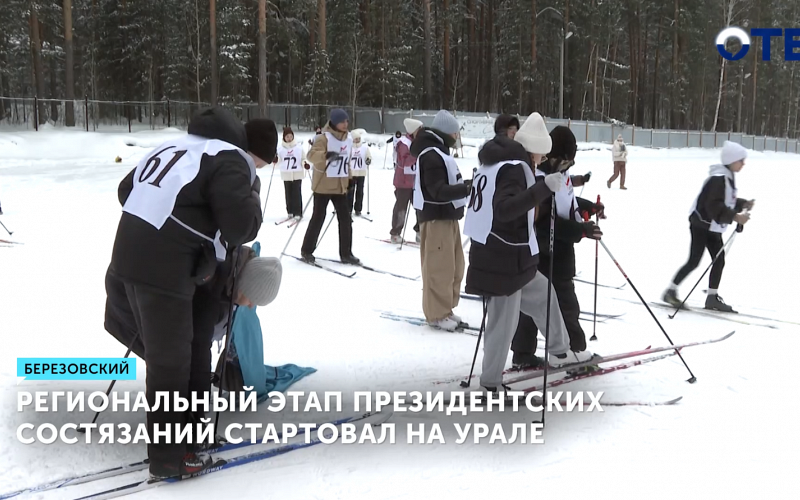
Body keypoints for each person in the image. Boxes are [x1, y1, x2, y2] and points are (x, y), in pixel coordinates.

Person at [104, 106, 277, 479]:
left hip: (139, 258)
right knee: (171, 362)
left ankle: (194, 434)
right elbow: (241, 226)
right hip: (165, 270)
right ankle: (168, 458)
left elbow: (125, 190)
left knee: (196, 346)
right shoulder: (228, 156)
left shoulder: (171, 146)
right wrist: (251, 193)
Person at [464, 112, 594, 392]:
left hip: (514, 257)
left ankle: (560, 351)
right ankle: (490, 383)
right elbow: (506, 209)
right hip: (502, 258)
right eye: (541, 156)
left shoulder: (504, 162)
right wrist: (542, 188)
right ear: (534, 148)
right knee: (503, 321)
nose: (541, 161)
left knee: (544, 294)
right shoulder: (513, 167)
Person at [509, 126, 605, 369]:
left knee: (536, 305)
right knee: (563, 303)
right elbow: (547, 223)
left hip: (556, 251)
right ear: (552, 156)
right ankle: (574, 350)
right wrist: (581, 230)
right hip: (547, 252)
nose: (568, 166)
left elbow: (567, 201)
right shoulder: (540, 180)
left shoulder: (558, 176)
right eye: (565, 161)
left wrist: (587, 207)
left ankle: (523, 353)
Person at [662, 141, 753, 313]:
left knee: (719, 260)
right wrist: (735, 216)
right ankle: (670, 291)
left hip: (713, 226)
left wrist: (742, 203)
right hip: (701, 225)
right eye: (741, 160)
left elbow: (727, 201)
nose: (743, 164)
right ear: (732, 160)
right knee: (694, 261)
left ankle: (712, 297)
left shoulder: (727, 176)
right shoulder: (718, 179)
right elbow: (714, 206)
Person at [412, 110, 471, 331]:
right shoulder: (431, 155)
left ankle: (445, 308)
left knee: (454, 266)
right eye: (455, 132)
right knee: (439, 268)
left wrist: (465, 187)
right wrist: (464, 189)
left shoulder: (440, 153)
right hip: (436, 218)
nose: (457, 137)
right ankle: (436, 314)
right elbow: (437, 190)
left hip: (448, 216)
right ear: (446, 132)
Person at [301, 108, 360, 265]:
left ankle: (346, 253)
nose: (345, 124)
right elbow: (311, 156)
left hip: (340, 185)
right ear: (334, 122)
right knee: (318, 218)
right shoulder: (323, 138)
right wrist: (325, 155)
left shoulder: (348, 139)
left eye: (347, 121)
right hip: (323, 185)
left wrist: (350, 178)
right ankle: (307, 250)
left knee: (346, 219)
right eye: (342, 121)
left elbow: (345, 161)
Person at [390, 118, 423, 243]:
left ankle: (420, 231)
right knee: (401, 207)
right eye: (419, 129)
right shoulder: (404, 143)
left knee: (420, 207)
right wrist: (417, 155)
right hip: (403, 181)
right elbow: (404, 160)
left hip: (416, 181)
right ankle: (395, 232)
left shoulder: (417, 141)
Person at [277, 127, 306, 219]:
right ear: (284, 138)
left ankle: (298, 212)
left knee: (296, 193)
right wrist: (275, 159)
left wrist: (305, 164)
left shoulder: (298, 147)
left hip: (297, 173)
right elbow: (279, 159)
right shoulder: (281, 148)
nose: (289, 138)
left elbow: (303, 158)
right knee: (288, 193)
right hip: (286, 174)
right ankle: (290, 211)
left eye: (290, 136)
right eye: (287, 137)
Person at [347, 129, 372, 216]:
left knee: (360, 191)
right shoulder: (349, 148)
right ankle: (348, 209)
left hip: (361, 172)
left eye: (358, 138)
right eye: (355, 138)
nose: (357, 140)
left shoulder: (364, 148)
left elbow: (368, 156)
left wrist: (368, 160)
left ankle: (358, 209)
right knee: (350, 191)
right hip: (352, 173)